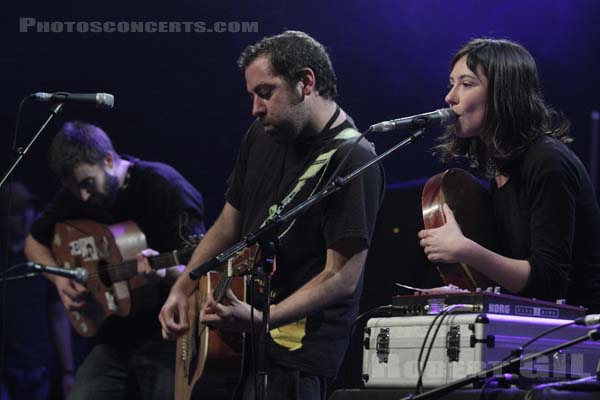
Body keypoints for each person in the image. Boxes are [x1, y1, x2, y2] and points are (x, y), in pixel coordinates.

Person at [159, 30, 384, 399]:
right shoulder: (261, 134)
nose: (255, 108)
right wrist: (184, 286)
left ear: (305, 82)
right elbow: (228, 224)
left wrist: (263, 319)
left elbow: (341, 276)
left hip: (295, 358)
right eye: (252, 95)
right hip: (238, 346)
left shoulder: (353, 160)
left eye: (265, 92)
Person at [23, 121, 206, 399]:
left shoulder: (165, 188)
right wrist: (62, 280)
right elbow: (33, 243)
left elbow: (200, 269)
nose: (83, 197)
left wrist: (165, 273)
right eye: (75, 190)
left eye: (88, 184)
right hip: (113, 338)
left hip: (167, 335)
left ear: (109, 160)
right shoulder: (77, 194)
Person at [418, 38, 600, 313]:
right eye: (451, 83)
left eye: (466, 84)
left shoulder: (547, 162)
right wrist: (467, 291)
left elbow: (548, 284)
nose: (450, 97)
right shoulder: (500, 168)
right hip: (542, 328)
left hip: (582, 336)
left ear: (502, 94)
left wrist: (464, 250)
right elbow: (517, 275)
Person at [0, 181, 74, 400]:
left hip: (38, 367)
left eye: (27, 210)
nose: (24, 218)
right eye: (16, 213)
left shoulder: (43, 258)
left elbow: (58, 316)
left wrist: (68, 370)